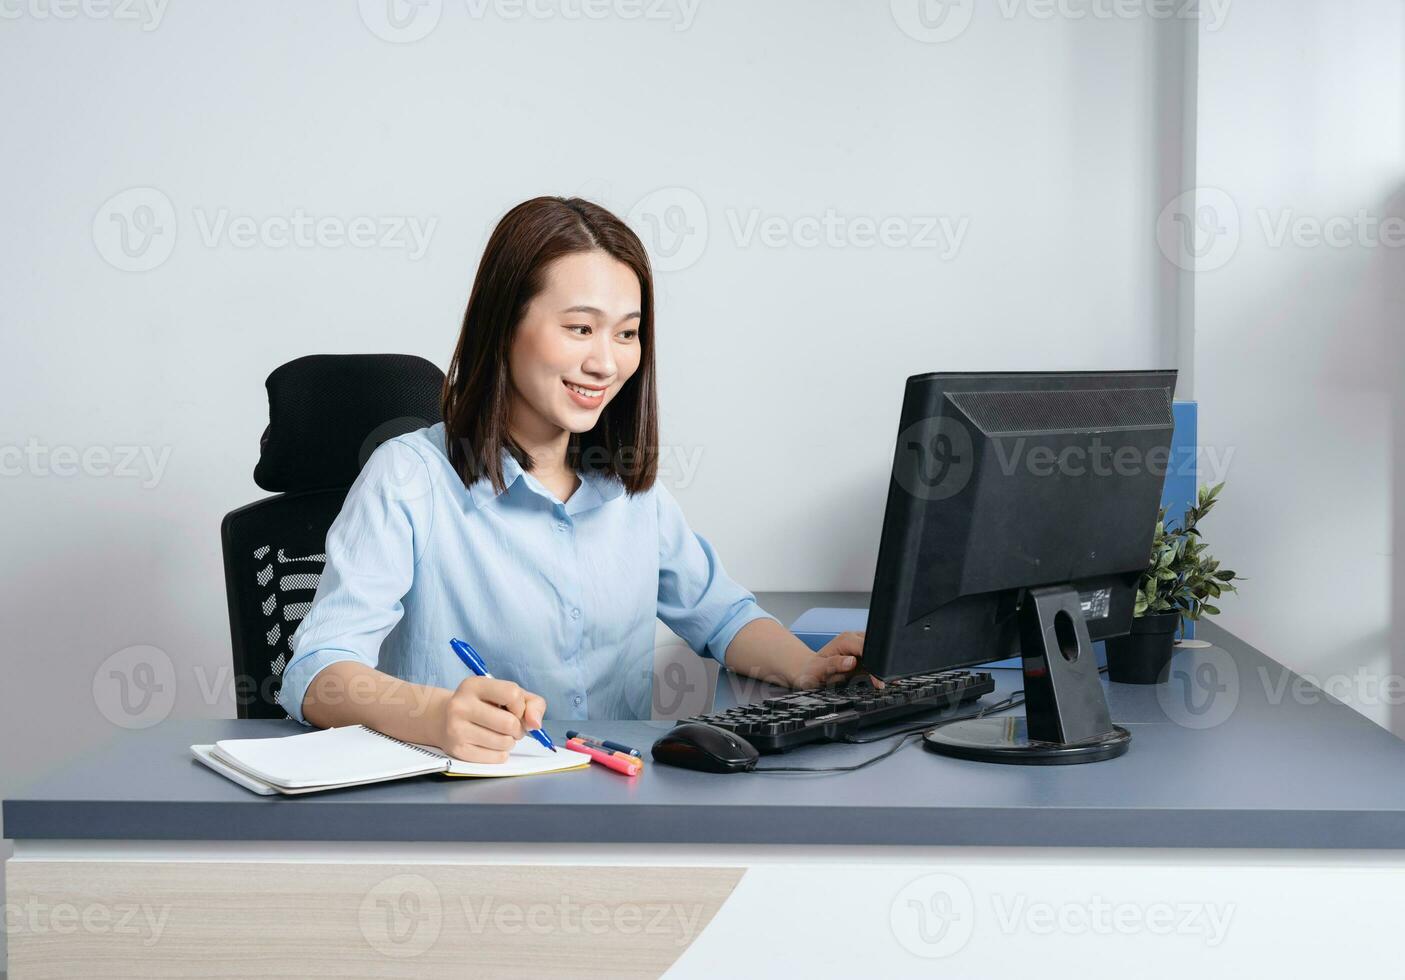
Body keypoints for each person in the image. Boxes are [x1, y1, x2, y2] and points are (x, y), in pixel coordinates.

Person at [281, 196, 866, 763]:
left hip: (616, 795)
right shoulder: (411, 478)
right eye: (581, 328)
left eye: (627, 333)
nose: (606, 363)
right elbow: (316, 672)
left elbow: (723, 616)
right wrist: (431, 714)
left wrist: (804, 666)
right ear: (503, 326)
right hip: (464, 808)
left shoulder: (629, 491)